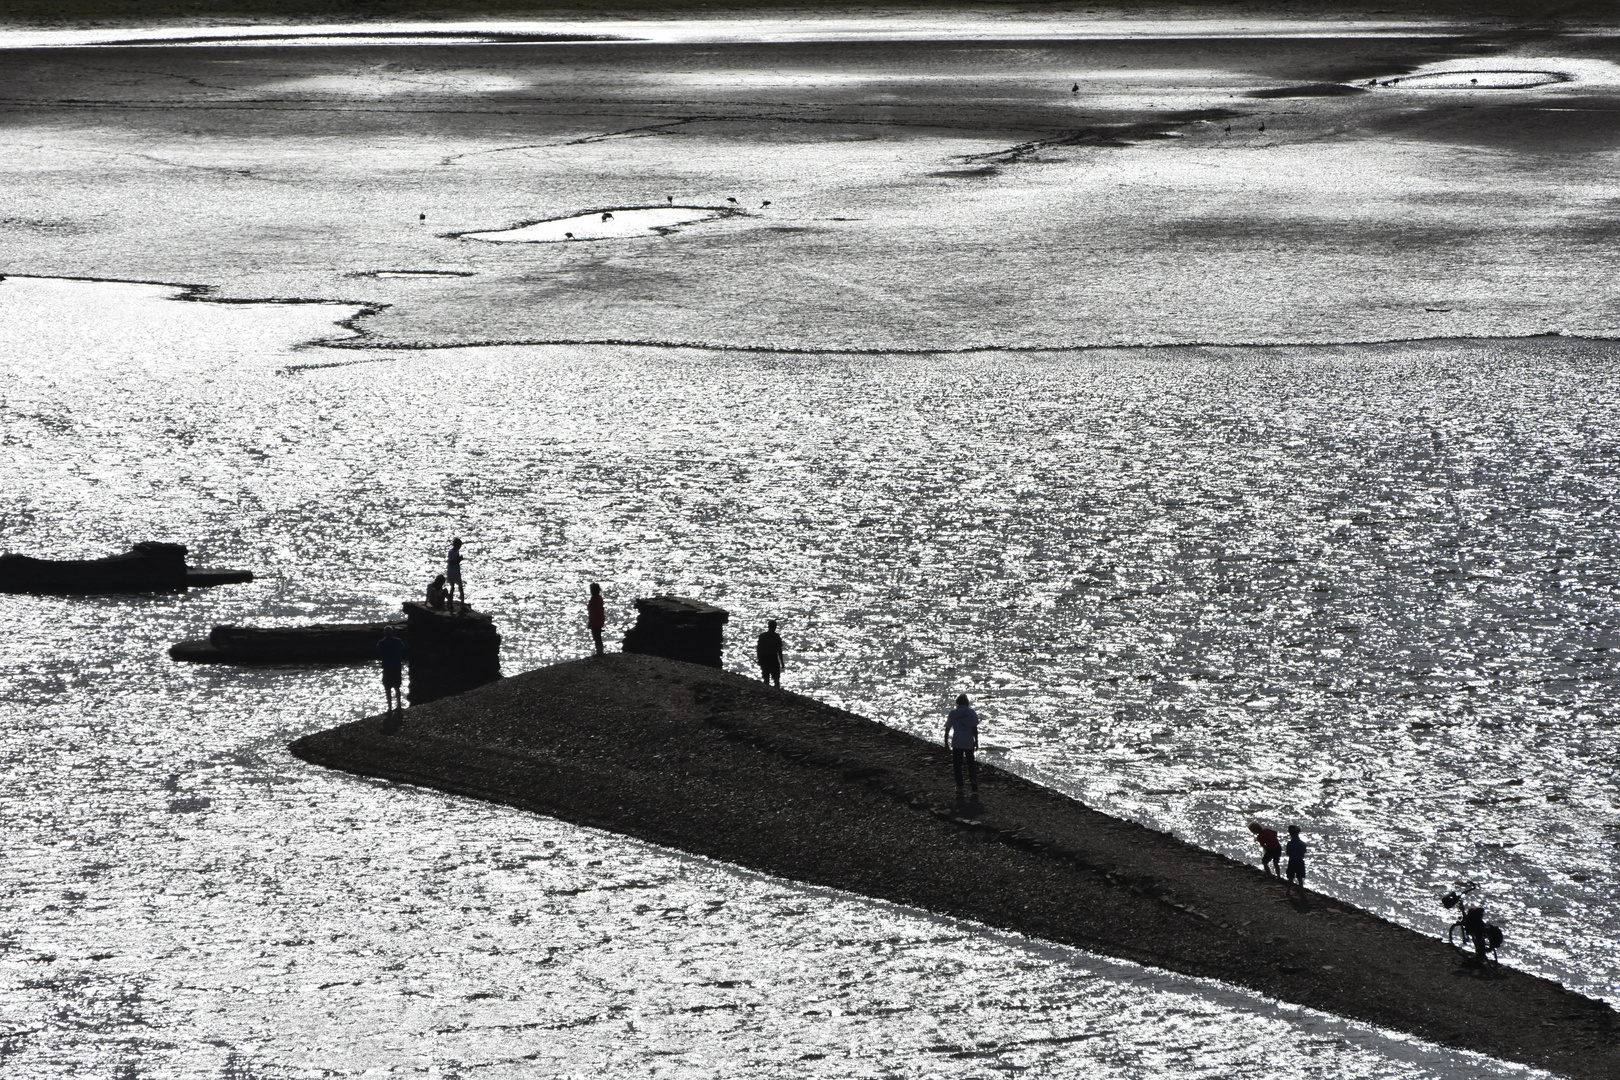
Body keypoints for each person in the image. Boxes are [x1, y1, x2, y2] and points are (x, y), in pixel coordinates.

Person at [944, 694, 979, 793]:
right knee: (971, 763)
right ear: (967, 702)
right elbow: (974, 728)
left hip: (957, 741)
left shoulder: (953, 713)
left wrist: (946, 742)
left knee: (957, 764)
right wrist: (976, 740)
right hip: (968, 741)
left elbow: (947, 729)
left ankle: (960, 785)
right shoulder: (971, 712)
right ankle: (973, 779)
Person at [377, 626, 406, 725]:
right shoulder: (398, 641)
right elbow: (402, 646)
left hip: (387, 666)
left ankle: (389, 707)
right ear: (392, 633)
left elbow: (378, 649)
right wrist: (395, 636)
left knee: (388, 687)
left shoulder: (382, 642)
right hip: (396, 666)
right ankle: (399, 705)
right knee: (397, 687)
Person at [756, 620, 784, 687]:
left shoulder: (762, 636)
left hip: (764, 658)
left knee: (766, 678)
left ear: (768, 626)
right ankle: (777, 692)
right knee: (776, 678)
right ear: (775, 627)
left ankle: (766, 691)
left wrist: (759, 659)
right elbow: (779, 650)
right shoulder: (776, 636)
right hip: (773, 658)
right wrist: (782, 662)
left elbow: (759, 649)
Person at [1284, 825, 1307, 897]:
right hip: (1300, 861)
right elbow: (1304, 851)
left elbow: (1288, 853)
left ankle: (1288, 891)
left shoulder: (1290, 843)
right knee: (1300, 878)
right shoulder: (1302, 843)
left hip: (1292, 861)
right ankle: (1302, 892)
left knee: (1290, 877)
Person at [587, 582, 606, 656]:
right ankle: (600, 651)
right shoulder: (599, 598)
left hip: (596, 620)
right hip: (600, 619)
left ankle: (599, 652)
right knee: (598, 636)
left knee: (596, 637)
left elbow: (594, 612)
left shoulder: (594, 599)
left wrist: (590, 622)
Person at [446, 538, 466, 604]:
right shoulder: (451, 552)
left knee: (460, 587)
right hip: (452, 572)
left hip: (456, 571)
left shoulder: (457, 551)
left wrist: (459, 559)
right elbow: (451, 563)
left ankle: (462, 601)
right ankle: (450, 602)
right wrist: (459, 560)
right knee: (453, 587)